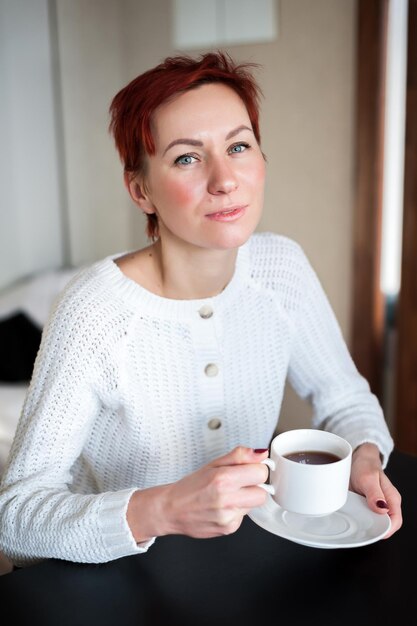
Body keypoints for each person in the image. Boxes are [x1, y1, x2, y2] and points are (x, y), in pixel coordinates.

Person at [0, 51, 402, 567]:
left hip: (248, 564)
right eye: (187, 157)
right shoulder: (95, 310)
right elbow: (15, 518)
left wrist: (365, 456)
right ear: (140, 189)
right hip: (116, 582)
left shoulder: (282, 268)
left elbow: (344, 399)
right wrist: (162, 509)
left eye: (238, 146)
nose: (224, 179)